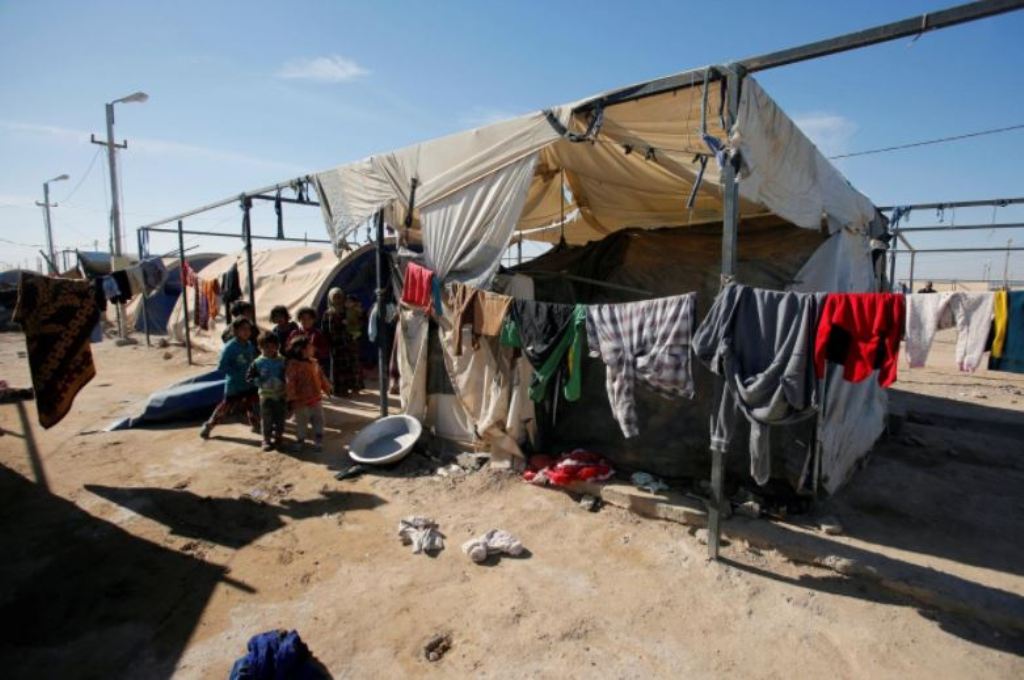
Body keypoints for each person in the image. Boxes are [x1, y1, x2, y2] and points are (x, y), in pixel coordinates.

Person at [201, 317, 259, 439]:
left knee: (252, 404)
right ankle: (209, 426)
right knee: (225, 408)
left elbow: (253, 360)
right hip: (235, 385)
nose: (247, 332)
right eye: (243, 329)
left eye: (248, 329)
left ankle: (255, 424)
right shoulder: (230, 348)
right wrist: (237, 374)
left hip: (249, 383)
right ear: (236, 331)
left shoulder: (249, 345)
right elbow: (222, 367)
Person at [286, 334, 331, 451]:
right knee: (301, 422)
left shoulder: (314, 362)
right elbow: (290, 383)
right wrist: (291, 399)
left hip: (316, 398)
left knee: (318, 420)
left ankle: (318, 439)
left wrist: (327, 388)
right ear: (301, 350)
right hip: (301, 401)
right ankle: (300, 440)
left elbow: (321, 377)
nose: (313, 348)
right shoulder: (293, 365)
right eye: (310, 346)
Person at [247, 332, 287, 451]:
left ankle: (279, 437)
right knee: (266, 419)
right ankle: (266, 439)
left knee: (280, 418)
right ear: (260, 348)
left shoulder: (283, 361)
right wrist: (258, 381)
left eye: (272, 346)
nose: (269, 349)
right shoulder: (257, 363)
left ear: (277, 346)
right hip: (265, 396)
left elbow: (289, 375)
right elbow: (249, 377)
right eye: (266, 347)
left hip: (280, 395)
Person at [322, 288, 362, 397]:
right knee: (338, 368)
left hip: (349, 342)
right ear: (330, 298)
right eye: (334, 297)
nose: (337, 299)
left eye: (339, 296)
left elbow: (358, 321)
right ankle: (339, 390)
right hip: (336, 344)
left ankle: (354, 387)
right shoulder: (327, 313)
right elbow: (325, 330)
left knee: (352, 365)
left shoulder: (347, 310)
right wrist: (329, 343)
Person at [290, 306, 330, 376]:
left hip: (315, 367)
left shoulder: (318, 334)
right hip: (298, 367)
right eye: (303, 319)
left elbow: (325, 352)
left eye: (309, 319)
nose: (306, 321)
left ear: (314, 320)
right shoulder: (295, 333)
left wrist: (314, 349)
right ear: (299, 319)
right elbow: (289, 349)